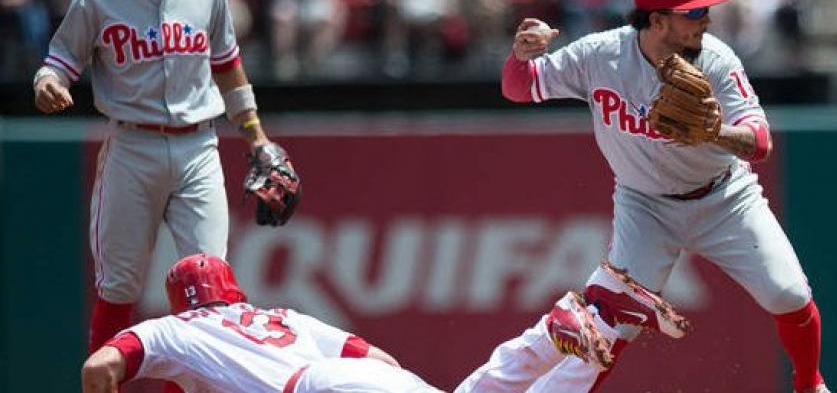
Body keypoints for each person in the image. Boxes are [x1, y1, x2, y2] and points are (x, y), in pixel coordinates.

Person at [501, 0, 829, 393]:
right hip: (644, 205)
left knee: (787, 293)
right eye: (692, 13)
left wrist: (717, 132)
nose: (705, 20)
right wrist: (521, 55)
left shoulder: (715, 59)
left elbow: (762, 141)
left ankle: (810, 385)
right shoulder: (600, 55)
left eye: (704, 11)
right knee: (610, 326)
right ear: (657, 21)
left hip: (725, 198)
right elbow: (520, 88)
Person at [32, 0, 297, 354]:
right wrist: (47, 83)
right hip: (132, 148)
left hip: (198, 147)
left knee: (212, 289)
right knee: (119, 288)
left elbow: (228, 67)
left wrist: (258, 137)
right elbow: (57, 64)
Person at [81, 253, 679, 393]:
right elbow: (382, 364)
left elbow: (100, 365)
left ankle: (552, 333)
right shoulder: (277, 315)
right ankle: (599, 327)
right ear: (233, 291)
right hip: (344, 378)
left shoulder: (174, 330)